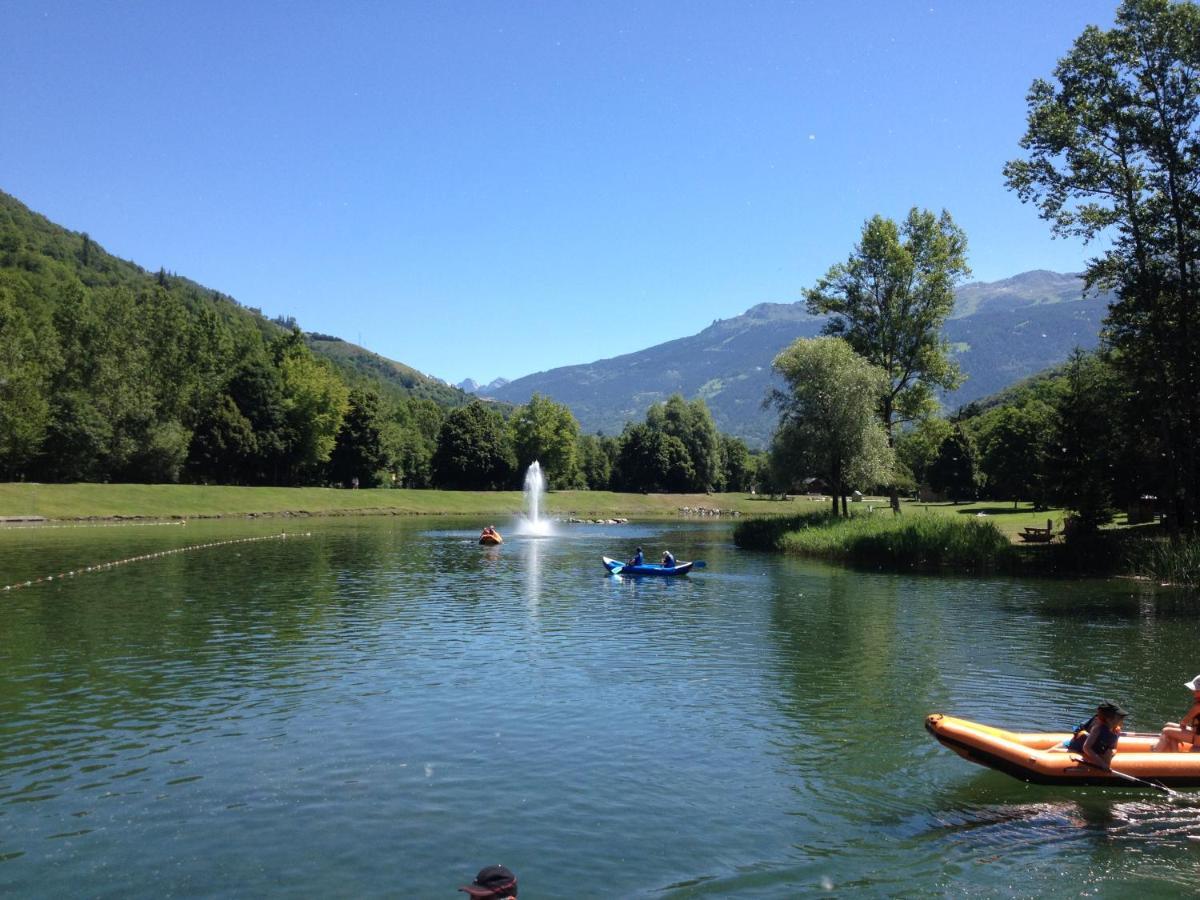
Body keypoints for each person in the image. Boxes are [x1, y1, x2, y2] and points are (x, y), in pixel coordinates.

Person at [1064, 700, 1127, 769]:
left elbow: (1113, 747)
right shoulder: (1097, 729)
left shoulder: (1115, 730)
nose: (1122, 720)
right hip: (1079, 745)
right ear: (1109, 720)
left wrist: (1111, 752)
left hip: (1096, 746)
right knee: (1071, 745)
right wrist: (1101, 763)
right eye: (1120, 718)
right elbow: (1086, 748)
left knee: (1108, 752)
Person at [1153, 675, 1200, 752]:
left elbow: (1184, 722)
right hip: (1196, 732)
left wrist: (1181, 732)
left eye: (1196, 690)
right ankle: (1173, 754)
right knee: (1168, 725)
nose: (1193, 691)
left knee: (1166, 731)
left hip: (1198, 740)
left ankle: (1155, 752)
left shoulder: (1198, 706)